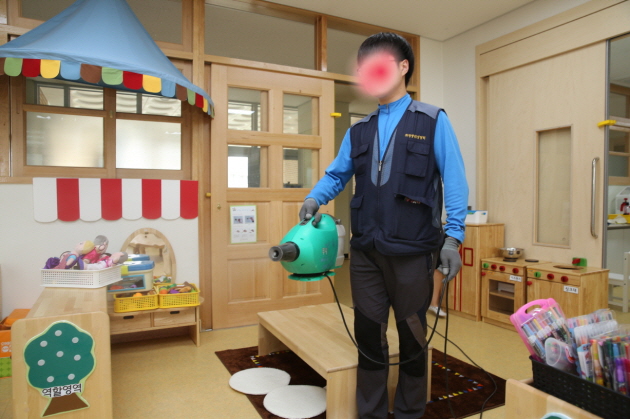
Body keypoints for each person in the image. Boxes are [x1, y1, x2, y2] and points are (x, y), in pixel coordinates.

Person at [299, 32, 468, 419]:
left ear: (402, 67)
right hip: (366, 254)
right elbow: (337, 174)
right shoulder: (359, 129)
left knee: (412, 337)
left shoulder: (433, 120)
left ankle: (409, 411)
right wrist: (314, 197)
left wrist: (453, 238)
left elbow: (455, 181)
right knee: (368, 336)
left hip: (413, 253)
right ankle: (371, 412)